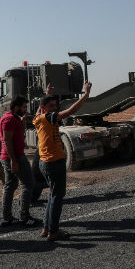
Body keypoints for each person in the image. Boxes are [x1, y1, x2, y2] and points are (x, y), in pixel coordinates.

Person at [33, 81, 92, 241]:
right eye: (51, 106)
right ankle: (54, 231)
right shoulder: (49, 117)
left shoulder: (38, 117)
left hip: (45, 162)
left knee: (53, 194)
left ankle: (47, 228)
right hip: (54, 162)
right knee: (57, 197)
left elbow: (40, 107)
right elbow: (70, 111)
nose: (55, 109)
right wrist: (85, 95)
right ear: (45, 108)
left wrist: (47, 93)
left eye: (55, 105)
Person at [0, 95, 40, 227]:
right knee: (28, 184)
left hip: (11, 157)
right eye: (24, 107)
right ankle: (24, 216)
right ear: (16, 107)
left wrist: (22, 122)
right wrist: (13, 161)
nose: (25, 109)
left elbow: (17, 135)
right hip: (15, 157)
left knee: (10, 186)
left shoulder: (12, 117)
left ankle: (8, 218)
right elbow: (7, 140)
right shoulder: (9, 119)